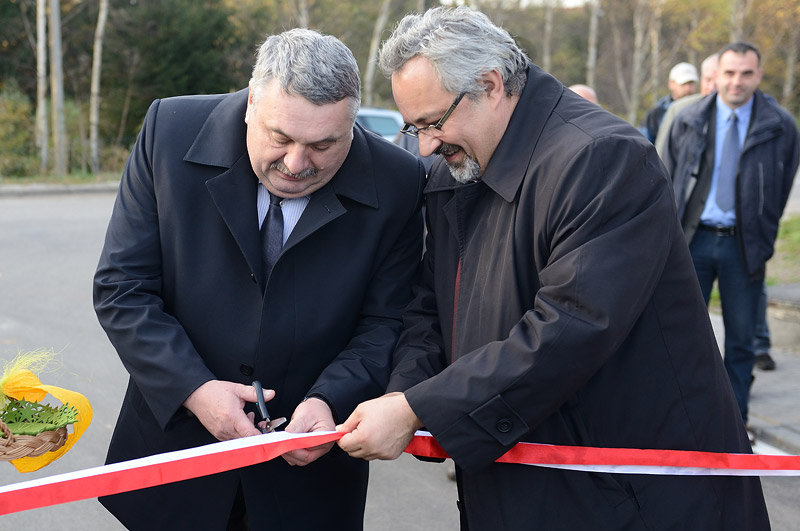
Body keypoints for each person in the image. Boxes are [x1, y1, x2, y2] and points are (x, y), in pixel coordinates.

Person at [336, 7, 769, 530]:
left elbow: (570, 327)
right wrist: (402, 393)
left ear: (491, 85)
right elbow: (429, 306)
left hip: (623, 490)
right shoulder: (460, 167)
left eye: (433, 122)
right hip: (527, 475)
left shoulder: (601, 158)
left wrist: (416, 409)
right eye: (415, 127)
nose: (425, 145)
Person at [93, 28, 424, 530]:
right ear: (250, 104)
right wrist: (195, 388)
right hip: (174, 456)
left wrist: (330, 397)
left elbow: (384, 322)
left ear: (352, 124)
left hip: (308, 480)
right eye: (280, 137)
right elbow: (122, 287)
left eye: (323, 145)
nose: (296, 164)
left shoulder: (399, 180)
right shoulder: (169, 129)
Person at [664, 42, 799, 429]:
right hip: (694, 241)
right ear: (716, 75)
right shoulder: (688, 119)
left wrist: (764, 236)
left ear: (758, 76)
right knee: (684, 337)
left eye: (746, 73)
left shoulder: (781, 126)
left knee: (742, 341)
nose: (736, 81)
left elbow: (781, 186)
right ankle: (686, 424)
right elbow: (669, 178)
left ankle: (734, 426)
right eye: (729, 73)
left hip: (745, 246)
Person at [655, 53, 719, 157]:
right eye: (707, 80)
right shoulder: (676, 109)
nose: (711, 87)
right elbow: (662, 153)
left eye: (691, 84)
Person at [639, 61, 698, 142]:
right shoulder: (655, 115)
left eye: (691, 83)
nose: (688, 88)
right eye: (683, 84)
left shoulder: (703, 110)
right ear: (671, 84)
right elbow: (643, 144)